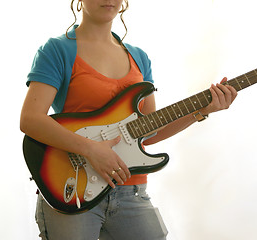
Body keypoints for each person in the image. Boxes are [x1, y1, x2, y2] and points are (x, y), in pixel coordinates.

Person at [20, 0, 238, 239]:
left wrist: (201, 111)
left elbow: (150, 131)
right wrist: (92, 150)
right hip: (73, 189)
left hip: (131, 192)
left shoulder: (139, 57)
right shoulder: (57, 50)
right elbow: (31, 119)